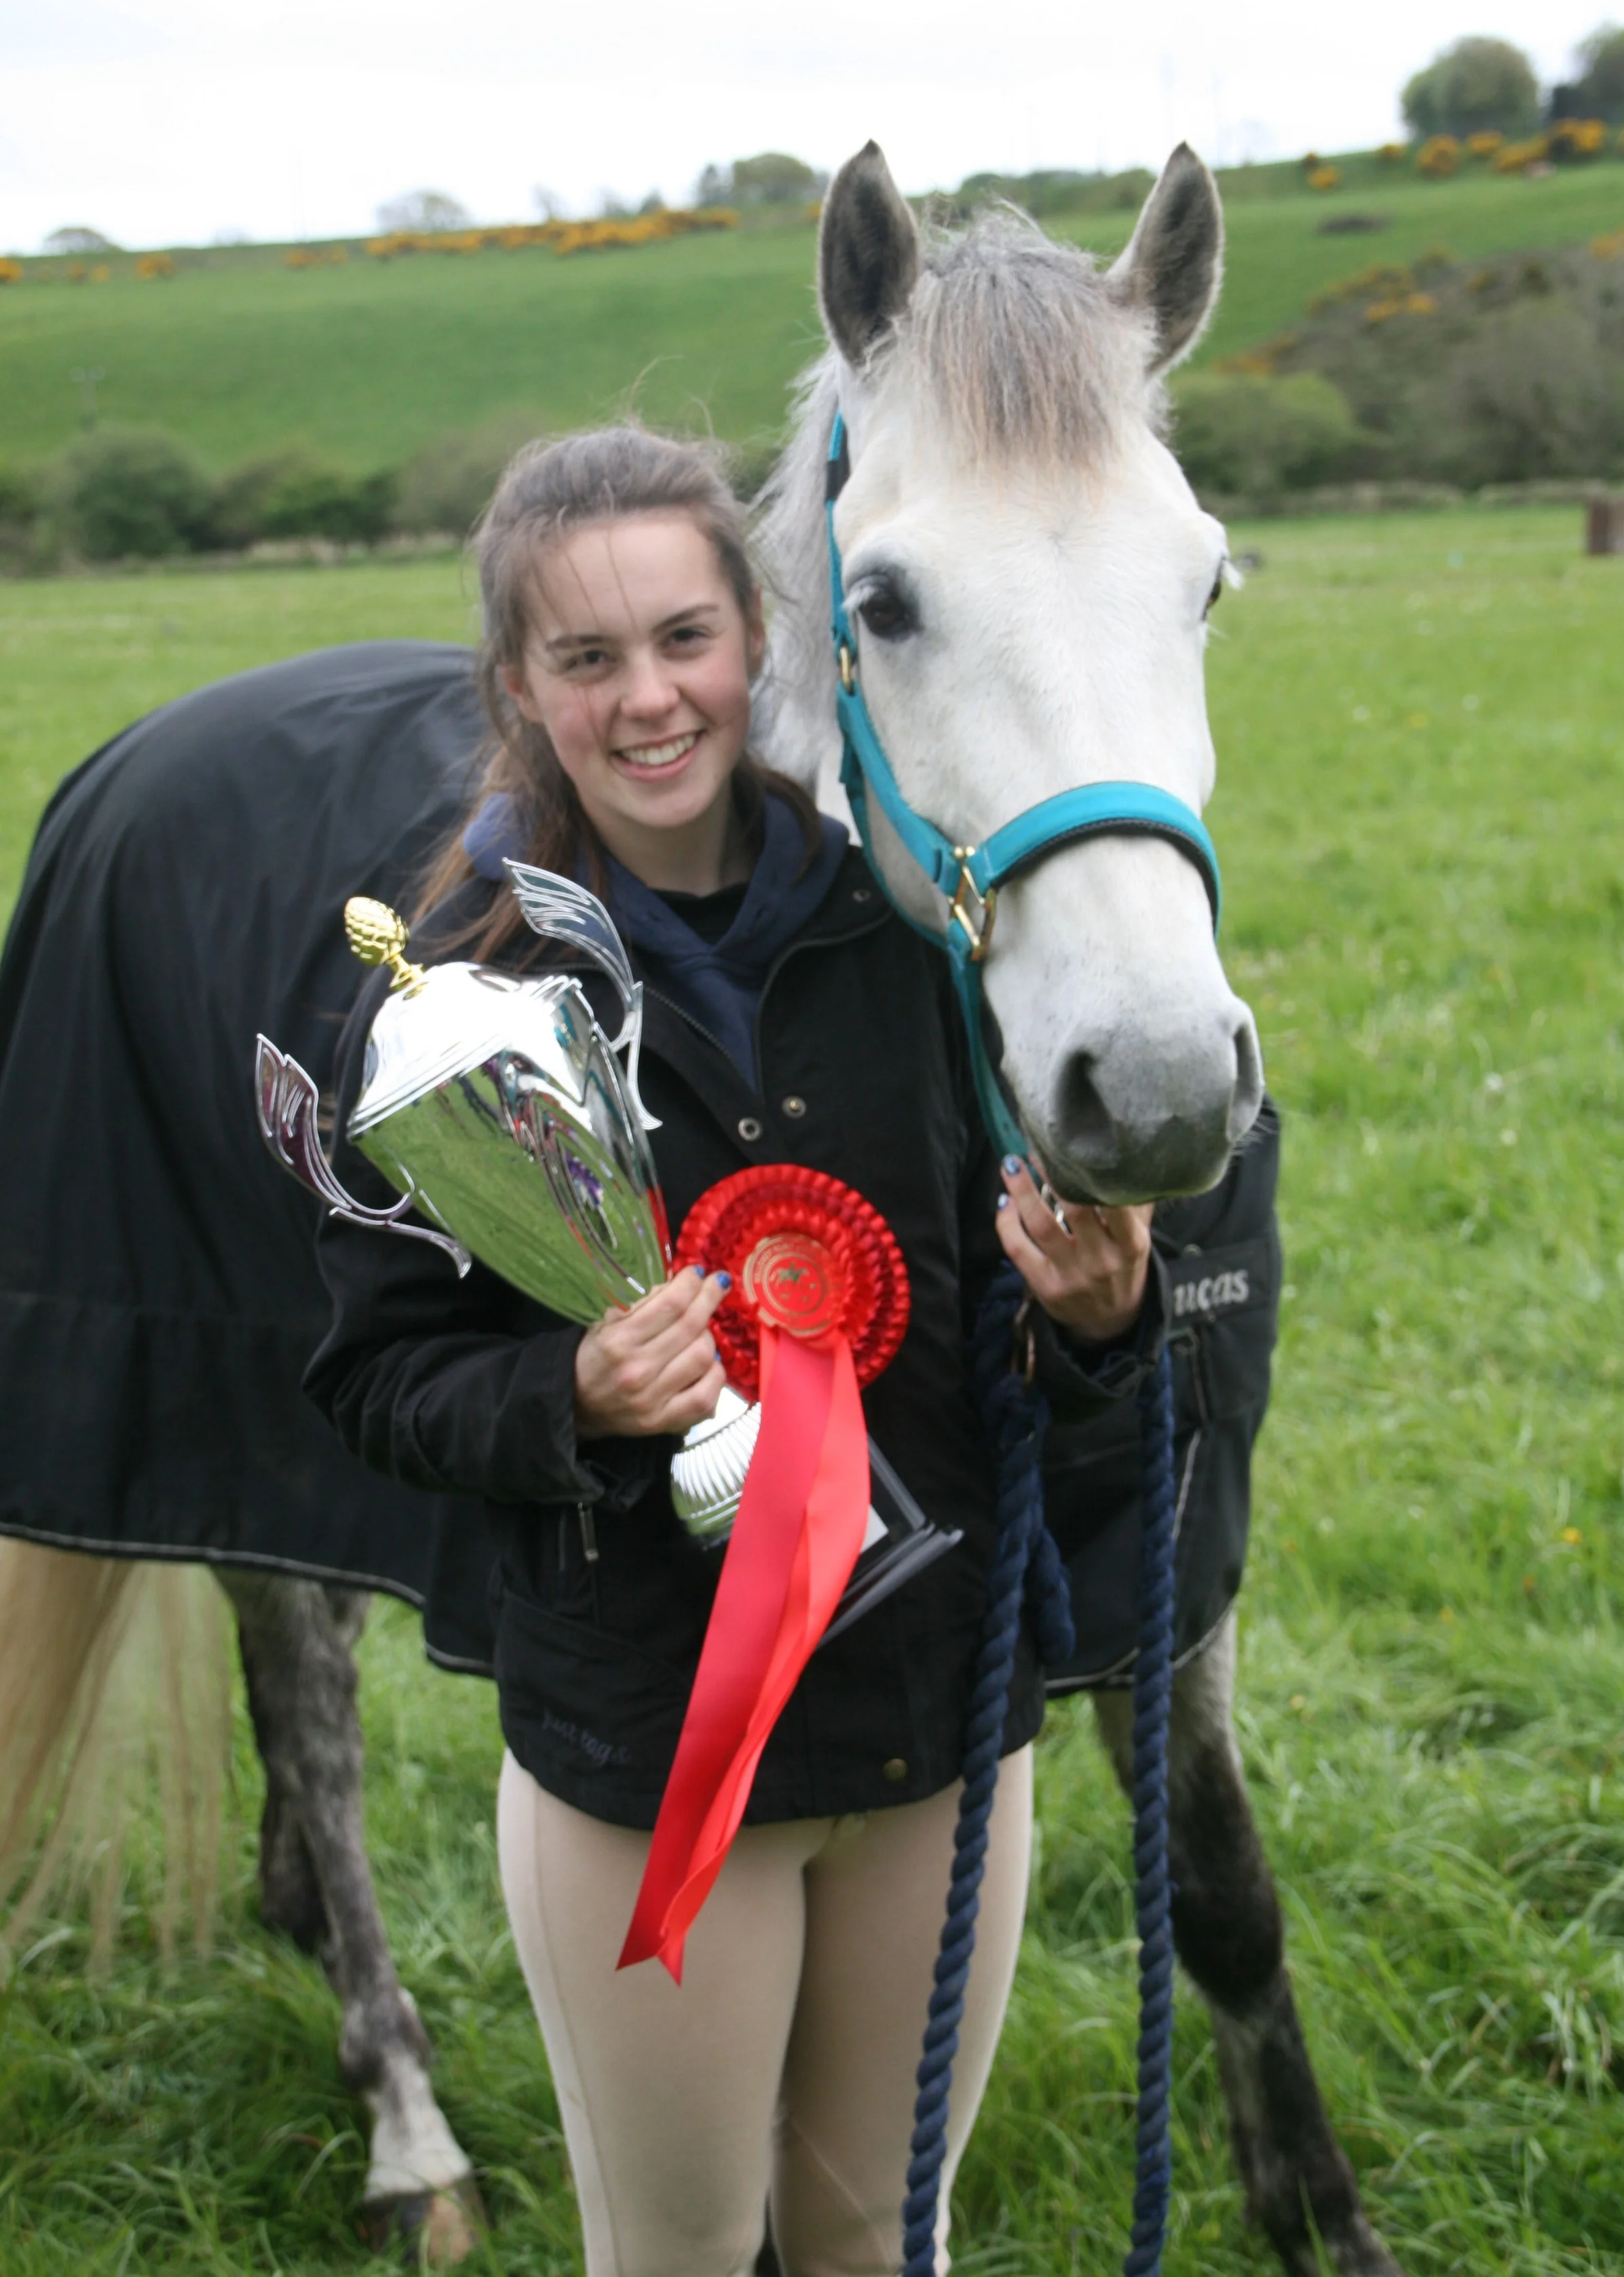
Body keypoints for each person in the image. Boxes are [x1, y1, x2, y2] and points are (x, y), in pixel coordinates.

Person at [305, 427, 1167, 2277]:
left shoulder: (925, 940)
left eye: (685, 638)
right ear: (517, 685)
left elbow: (1014, 1355)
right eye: (587, 657)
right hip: (651, 1754)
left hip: (941, 1725)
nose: (648, 698)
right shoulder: (454, 1000)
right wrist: (568, 1394)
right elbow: (375, 1377)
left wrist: (1098, 1318)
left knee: (884, 2244)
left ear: (759, 641)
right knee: (678, 2255)